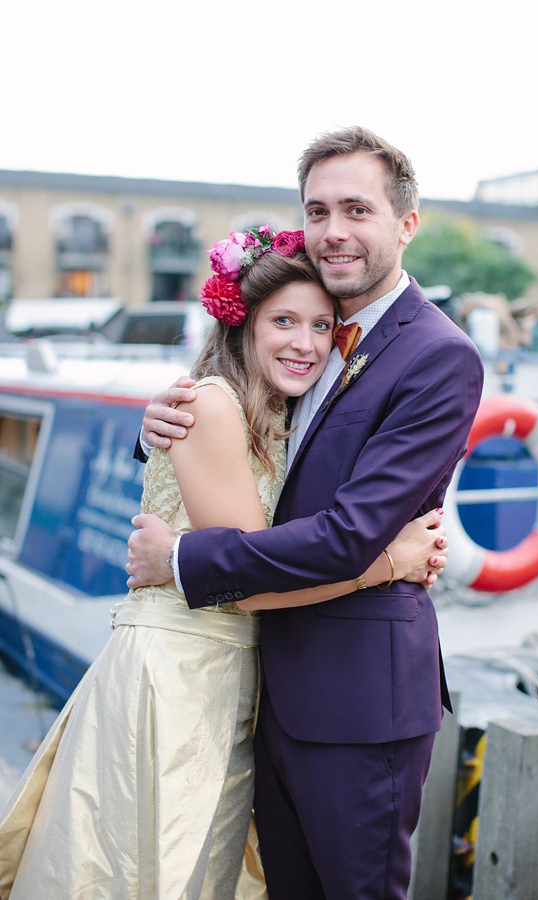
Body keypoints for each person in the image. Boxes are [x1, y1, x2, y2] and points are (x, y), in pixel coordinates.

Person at [0, 229, 447, 900]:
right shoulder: (212, 406)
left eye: (321, 325)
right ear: (242, 324)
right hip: (177, 681)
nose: (305, 341)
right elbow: (245, 587)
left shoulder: (277, 414)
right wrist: (388, 563)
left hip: (228, 682)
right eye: (284, 322)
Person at [128, 126, 484, 900]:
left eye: (357, 209)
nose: (334, 231)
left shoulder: (436, 355)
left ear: (406, 223)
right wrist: (157, 433)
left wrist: (182, 560)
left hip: (360, 704)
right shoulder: (313, 333)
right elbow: (253, 446)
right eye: (317, 210)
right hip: (265, 692)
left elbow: (352, 534)